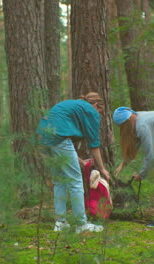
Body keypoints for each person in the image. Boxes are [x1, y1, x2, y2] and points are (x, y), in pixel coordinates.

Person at [37, 92, 111, 233]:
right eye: (100, 111)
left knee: (60, 181)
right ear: (96, 105)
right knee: (76, 181)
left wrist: (79, 161)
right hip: (59, 136)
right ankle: (81, 225)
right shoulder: (90, 111)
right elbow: (94, 145)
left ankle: (60, 223)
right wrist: (102, 169)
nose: (99, 114)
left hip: (44, 135)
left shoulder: (75, 105)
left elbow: (61, 146)